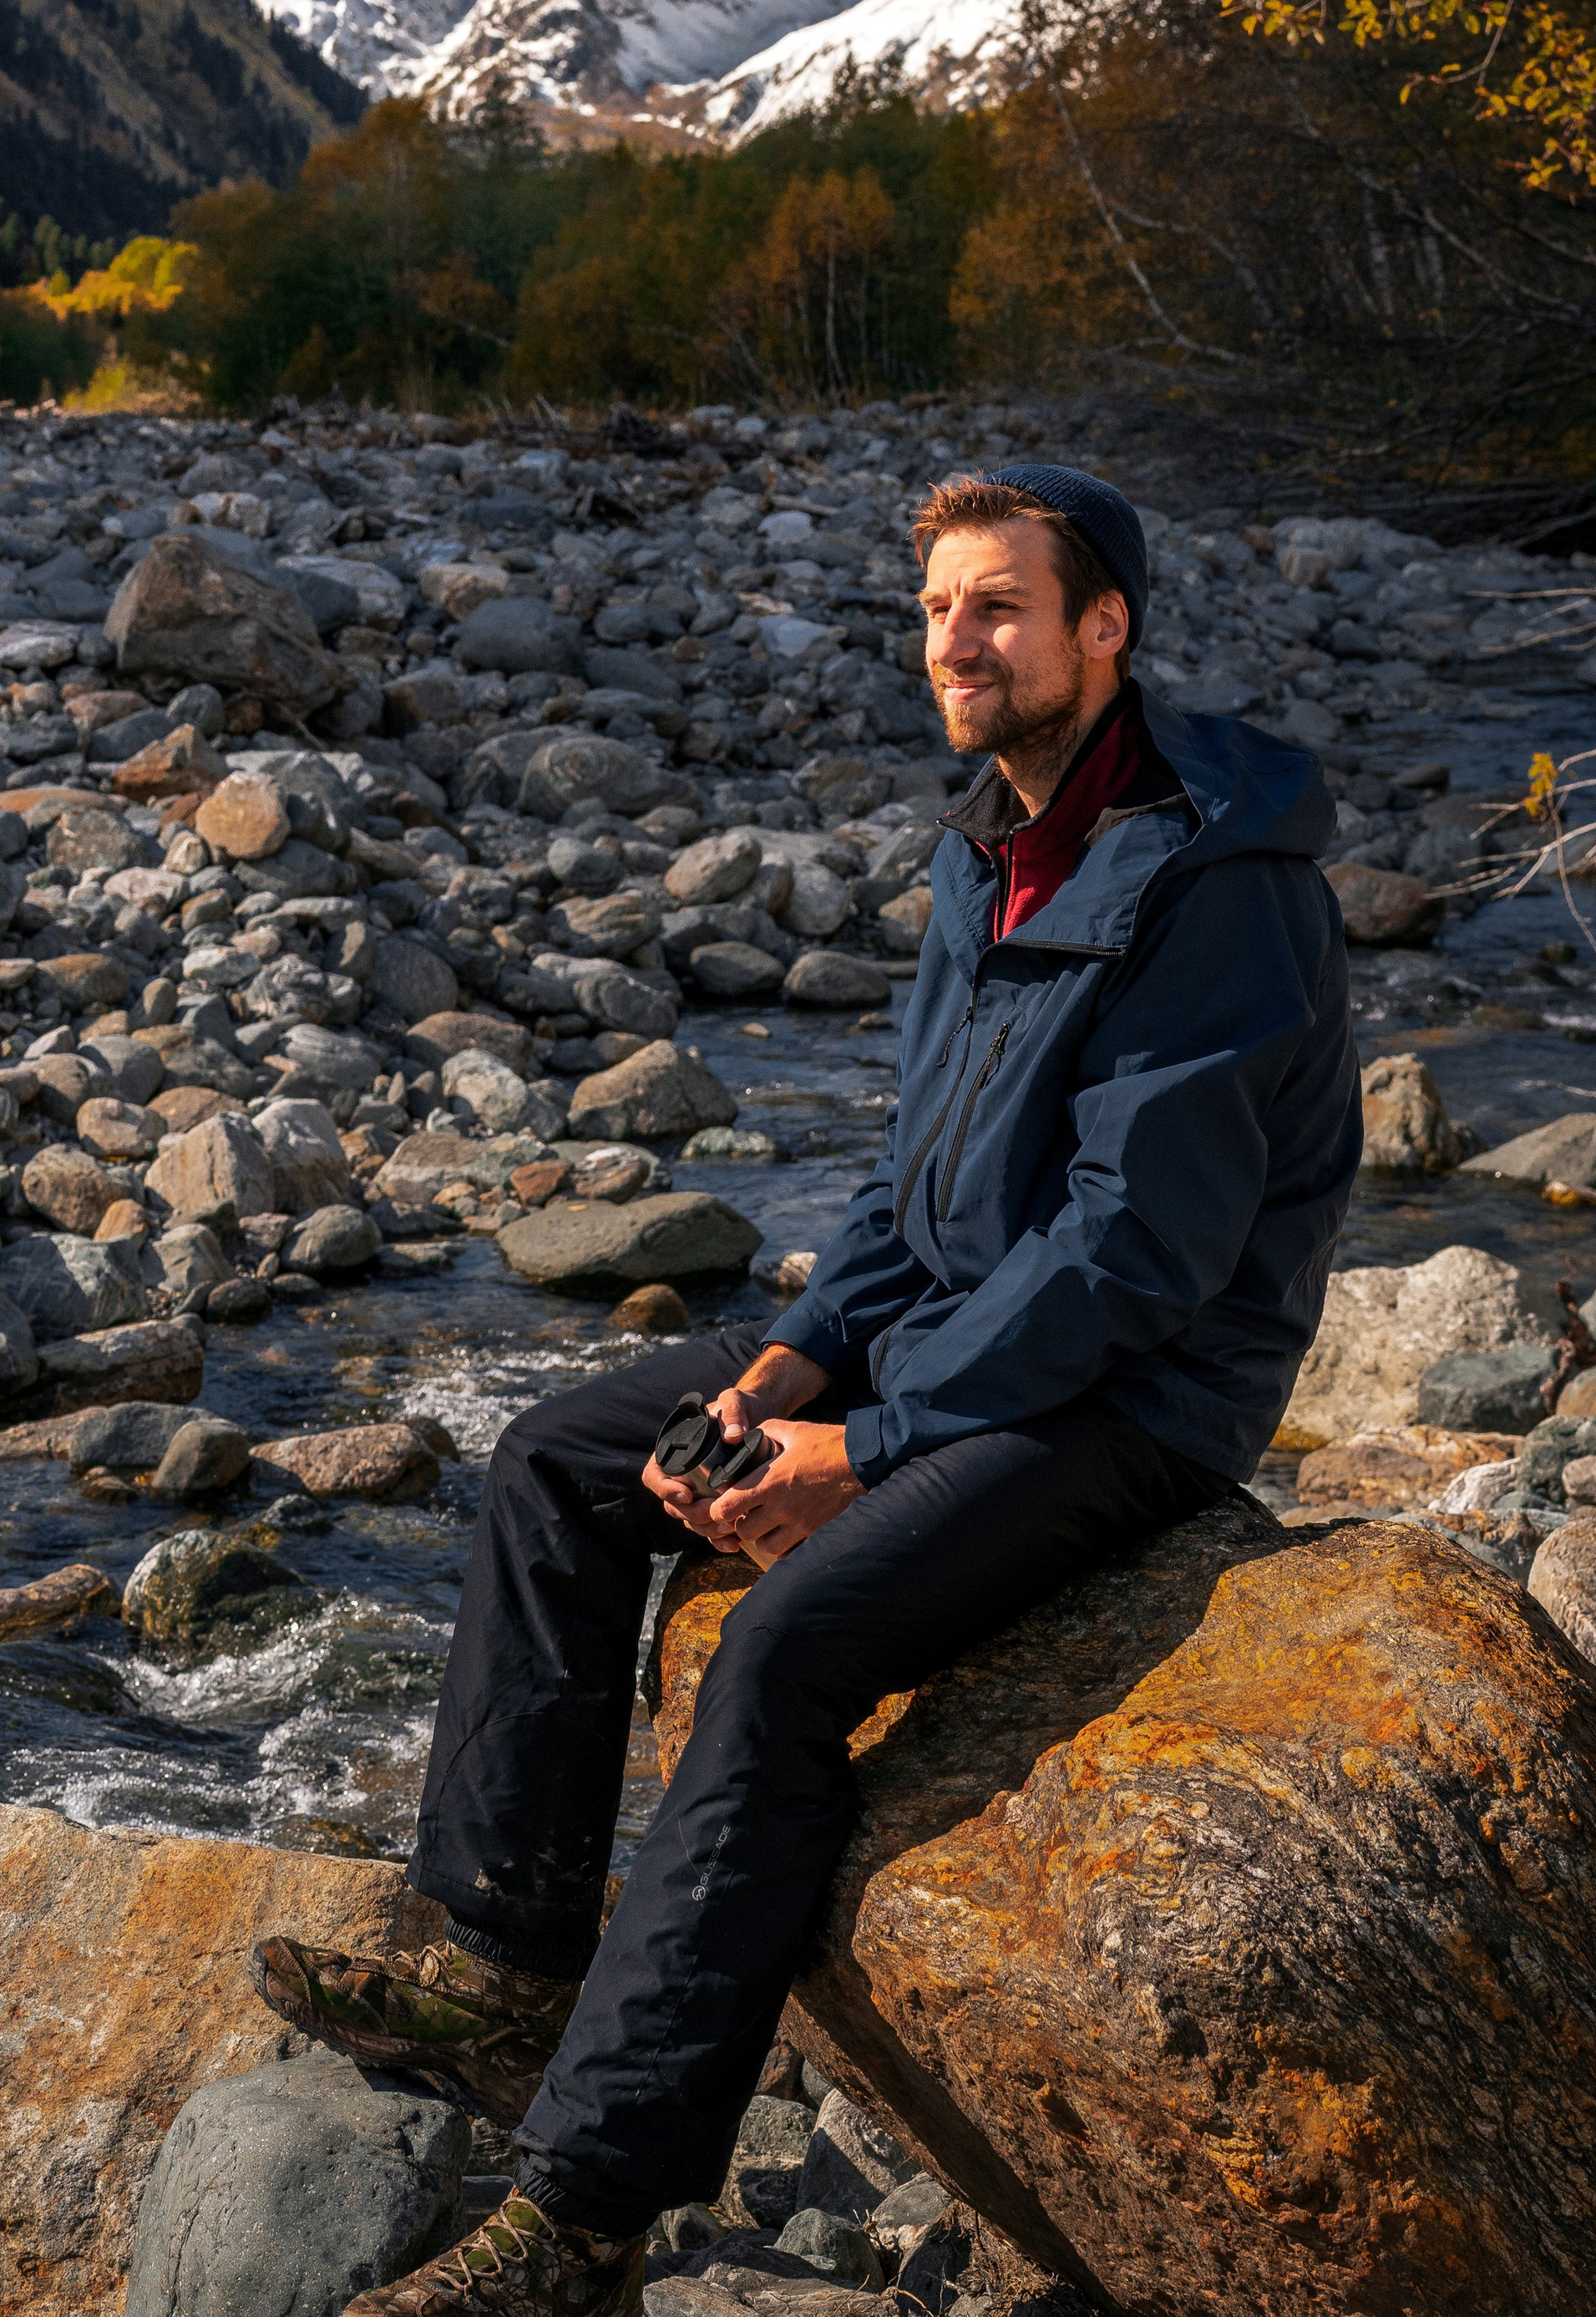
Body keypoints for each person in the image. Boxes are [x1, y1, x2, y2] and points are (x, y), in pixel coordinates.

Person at [250, 461, 1362, 2317]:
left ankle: (581, 2217)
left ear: (1104, 629)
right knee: (556, 1461)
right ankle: (512, 1968)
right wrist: (784, 1364)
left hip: (1136, 1395)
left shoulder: (1213, 880)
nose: (955, 641)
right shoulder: (985, 842)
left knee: (785, 1651)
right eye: (935, 609)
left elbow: (1130, 1264)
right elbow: (906, 1193)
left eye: (996, 606)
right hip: (955, 1329)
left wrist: (869, 1442)